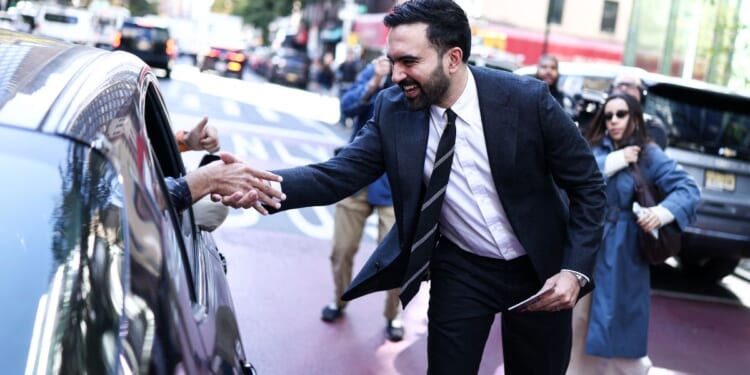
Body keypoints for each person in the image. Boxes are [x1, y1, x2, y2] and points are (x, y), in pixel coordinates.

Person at [239, 1, 606, 373]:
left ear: (453, 58)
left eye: (409, 62)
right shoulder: (392, 110)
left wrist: (573, 271)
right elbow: (336, 175)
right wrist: (254, 183)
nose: (397, 75)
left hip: (541, 271)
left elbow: (589, 187)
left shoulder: (527, 101)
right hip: (463, 269)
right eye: (392, 61)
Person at [568, 93, 700, 374]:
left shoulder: (649, 153)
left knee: (622, 317)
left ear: (635, 118)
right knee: (579, 318)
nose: (614, 121)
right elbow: (576, 176)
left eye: (621, 114)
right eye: (608, 115)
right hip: (589, 242)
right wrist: (616, 160)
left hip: (626, 248)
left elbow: (688, 189)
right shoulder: (593, 148)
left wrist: (661, 214)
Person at [322, 55, 403, 342]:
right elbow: (347, 107)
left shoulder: (418, 75)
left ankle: (394, 315)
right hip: (356, 181)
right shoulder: (374, 69)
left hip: (394, 184)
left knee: (396, 258)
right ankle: (339, 300)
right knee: (341, 250)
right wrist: (374, 82)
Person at [611, 73, 669, 149]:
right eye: (619, 85)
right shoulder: (599, 122)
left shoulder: (653, 126)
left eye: (630, 85)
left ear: (641, 93)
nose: (623, 88)